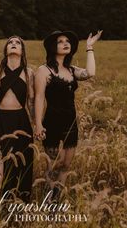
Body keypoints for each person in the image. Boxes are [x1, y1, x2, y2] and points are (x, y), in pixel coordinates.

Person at [34, 30, 102, 199]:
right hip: (51, 122)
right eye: (60, 41)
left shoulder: (71, 70)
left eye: (67, 41)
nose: (66, 43)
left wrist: (89, 48)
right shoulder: (44, 70)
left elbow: (90, 73)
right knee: (53, 165)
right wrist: (38, 123)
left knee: (65, 164)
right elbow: (39, 98)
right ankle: (49, 200)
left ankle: (57, 199)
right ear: (52, 47)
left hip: (71, 123)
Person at [0, 36, 34, 202]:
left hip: (21, 123)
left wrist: (38, 125)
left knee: (19, 168)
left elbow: (31, 103)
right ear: (5, 49)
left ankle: (15, 207)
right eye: (10, 42)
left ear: (22, 51)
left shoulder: (29, 73)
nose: (14, 44)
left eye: (18, 43)